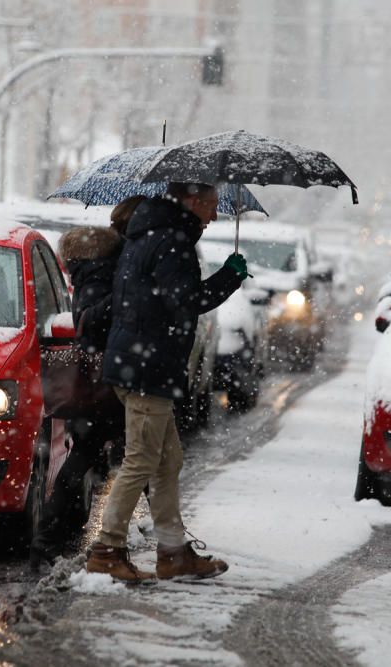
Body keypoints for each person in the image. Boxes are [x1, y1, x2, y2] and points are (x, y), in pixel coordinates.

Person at [86, 182, 248, 583]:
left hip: (141, 363)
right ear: (193, 201)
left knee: (167, 459)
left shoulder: (149, 234)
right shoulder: (171, 240)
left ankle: (174, 552)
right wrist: (229, 276)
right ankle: (107, 549)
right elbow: (187, 300)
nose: (214, 216)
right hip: (148, 368)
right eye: (211, 206)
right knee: (142, 459)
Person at [29, 195, 144, 572]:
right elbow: (90, 322)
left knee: (95, 459)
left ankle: (56, 537)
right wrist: (124, 300)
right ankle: (52, 540)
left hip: (106, 382)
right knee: (113, 459)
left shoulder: (100, 271)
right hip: (104, 383)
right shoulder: (99, 275)